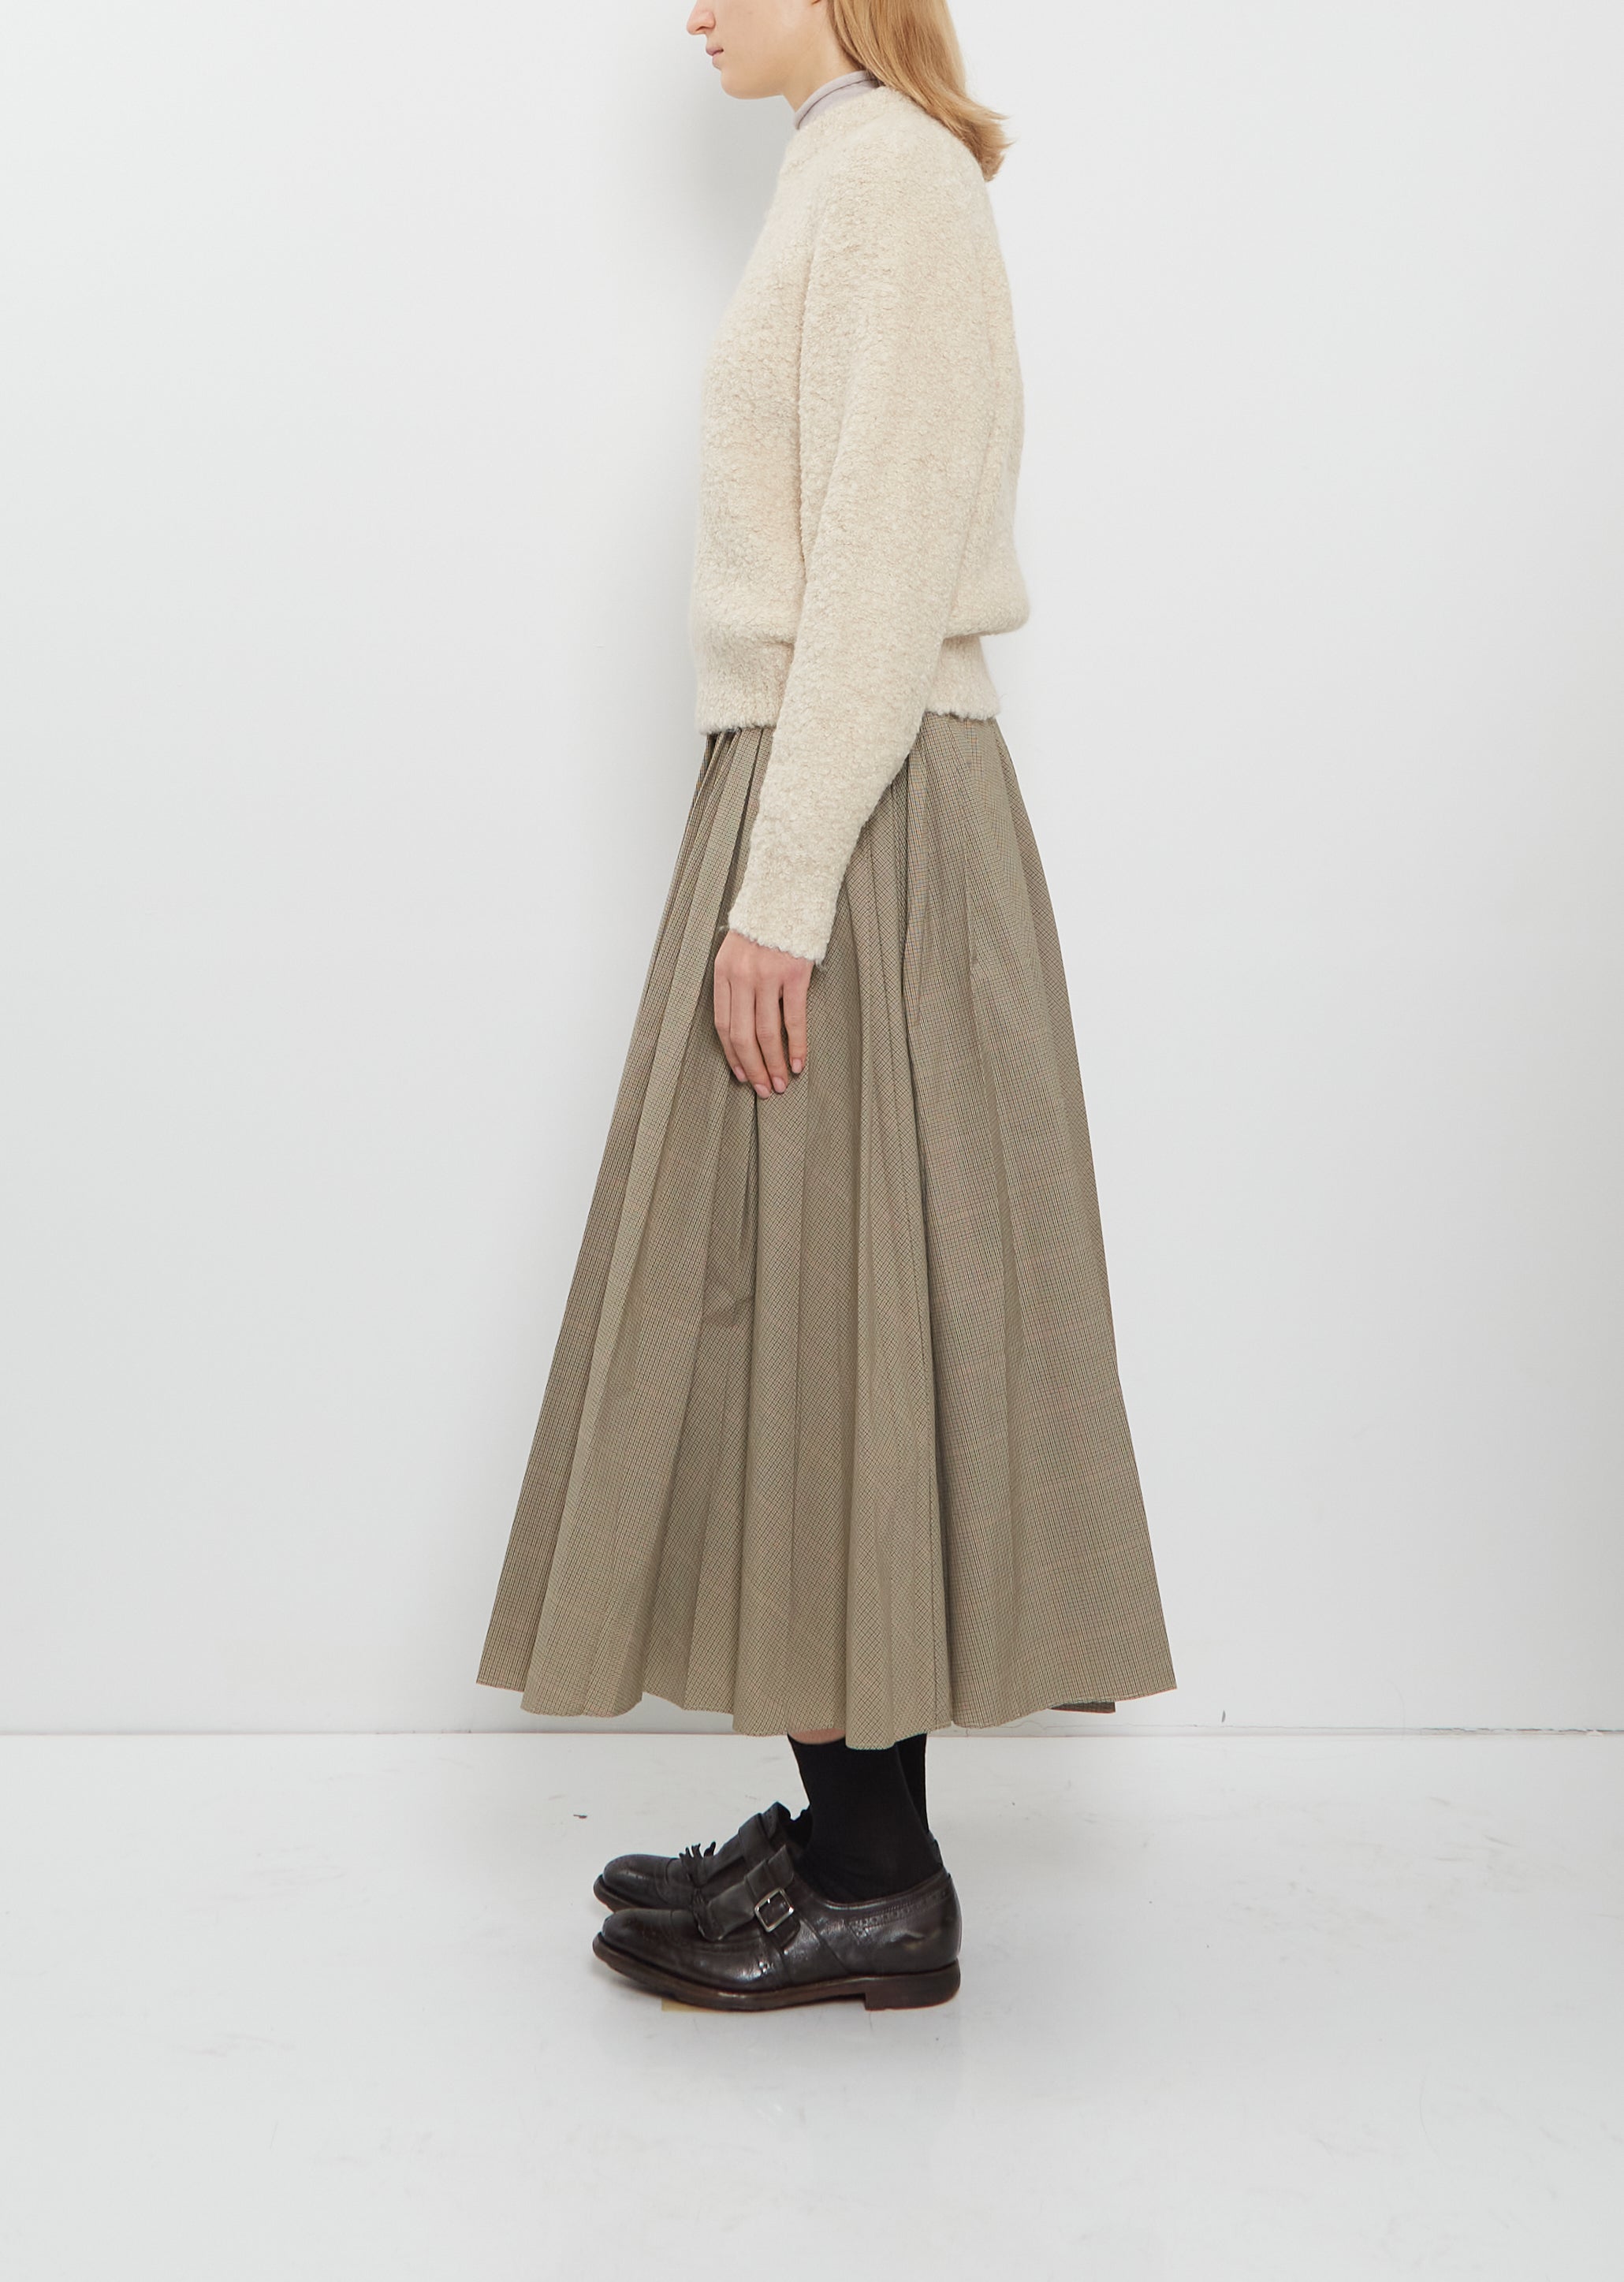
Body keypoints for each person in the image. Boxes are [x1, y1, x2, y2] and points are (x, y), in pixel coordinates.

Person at [476, 0, 1175, 2012]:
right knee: (802, 1316)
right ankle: (849, 1834)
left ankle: (876, 1880)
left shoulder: (892, 181)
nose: (690, 10)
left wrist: (782, 891)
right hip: (816, 796)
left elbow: (878, 566)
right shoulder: (847, 170)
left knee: (833, 1319)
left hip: (852, 820)